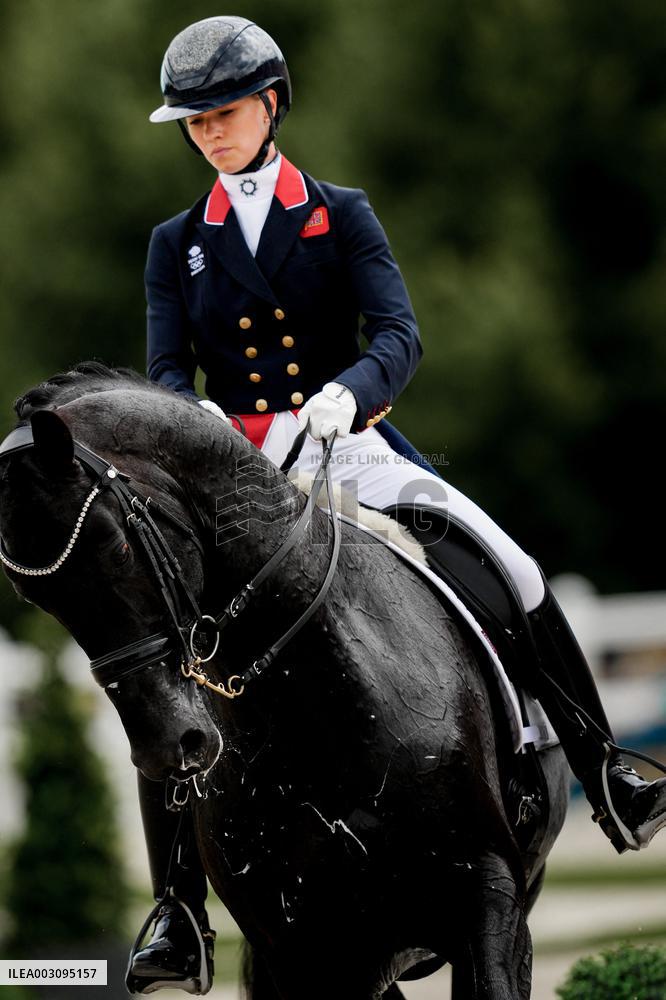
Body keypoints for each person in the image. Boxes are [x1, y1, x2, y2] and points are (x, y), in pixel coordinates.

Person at [133, 15, 666, 993]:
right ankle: (177, 905)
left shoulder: (341, 212)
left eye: (227, 111)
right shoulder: (177, 245)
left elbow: (401, 333)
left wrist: (351, 388)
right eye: (196, 119)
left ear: (272, 102)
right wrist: (189, 415)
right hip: (236, 479)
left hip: (349, 447)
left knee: (512, 564)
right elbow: (168, 368)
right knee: (164, 660)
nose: (211, 130)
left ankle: (607, 771)